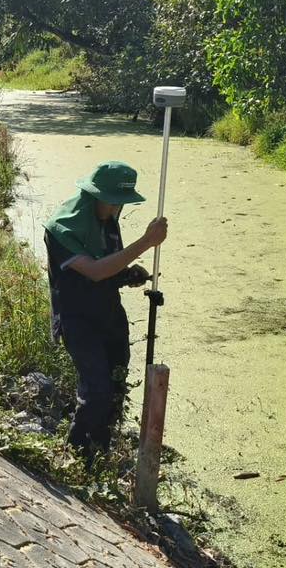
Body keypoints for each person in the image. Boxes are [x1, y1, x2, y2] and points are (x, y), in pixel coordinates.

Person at [44, 161, 168, 465]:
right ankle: (76, 456)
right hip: (78, 319)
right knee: (96, 390)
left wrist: (127, 275)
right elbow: (95, 271)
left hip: (109, 317)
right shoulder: (63, 228)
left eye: (121, 204)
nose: (116, 210)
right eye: (112, 202)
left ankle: (102, 450)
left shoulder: (107, 219)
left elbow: (108, 267)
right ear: (94, 194)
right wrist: (145, 243)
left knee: (115, 385)